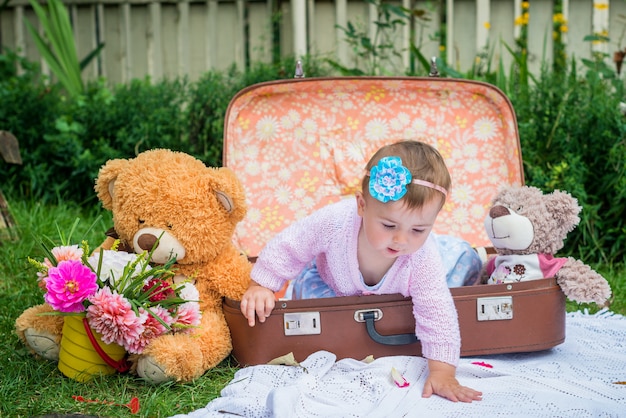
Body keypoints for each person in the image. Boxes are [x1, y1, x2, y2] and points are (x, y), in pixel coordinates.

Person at [240, 140, 483, 403]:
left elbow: (436, 309)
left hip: (403, 291)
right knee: (319, 315)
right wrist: (262, 284)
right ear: (361, 205)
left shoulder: (421, 255)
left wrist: (442, 371)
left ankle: (464, 254)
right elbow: (293, 244)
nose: (401, 240)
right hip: (335, 286)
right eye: (389, 225)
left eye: (418, 230)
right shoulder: (335, 222)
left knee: (455, 272)